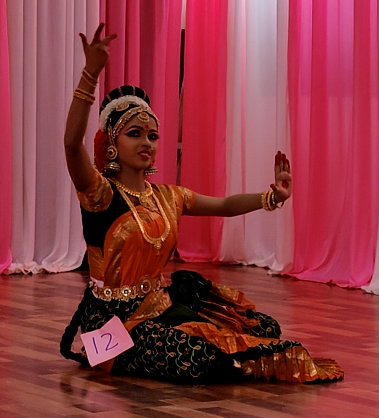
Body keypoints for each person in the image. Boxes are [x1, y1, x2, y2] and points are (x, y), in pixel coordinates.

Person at [60, 23, 343, 384]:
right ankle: (199, 359)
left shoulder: (168, 196)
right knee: (196, 356)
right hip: (111, 323)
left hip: (157, 306)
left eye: (152, 135)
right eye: (134, 134)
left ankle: (225, 357)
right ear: (112, 143)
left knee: (260, 327)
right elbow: (72, 145)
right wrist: (90, 74)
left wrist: (272, 197)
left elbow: (224, 205)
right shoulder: (100, 195)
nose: (147, 143)